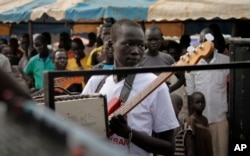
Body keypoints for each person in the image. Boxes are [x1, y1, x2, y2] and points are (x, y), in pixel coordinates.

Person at [82, 19, 178, 156]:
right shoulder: (97, 81)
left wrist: (128, 133)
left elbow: (168, 148)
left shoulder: (155, 85)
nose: (136, 51)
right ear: (111, 44)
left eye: (141, 45)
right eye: (128, 44)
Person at [185, 27, 229, 156]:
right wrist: (190, 121)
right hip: (199, 122)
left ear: (215, 42)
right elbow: (190, 94)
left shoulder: (226, 61)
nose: (206, 43)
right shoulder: (192, 63)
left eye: (209, 39)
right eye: (202, 40)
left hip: (219, 119)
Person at [140, 25, 185, 93]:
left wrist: (169, 90)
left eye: (156, 39)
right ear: (145, 40)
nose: (153, 42)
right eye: (150, 40)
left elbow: (182, 78)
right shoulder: (139, 59)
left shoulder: (168, 58)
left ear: (161, 40)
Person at [187, 92, 213, 156]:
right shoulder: (192, 120)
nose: (200, 104)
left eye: (203, 102)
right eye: (197, 102)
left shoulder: (205, 120)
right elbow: (190, 142)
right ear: (191, 104)